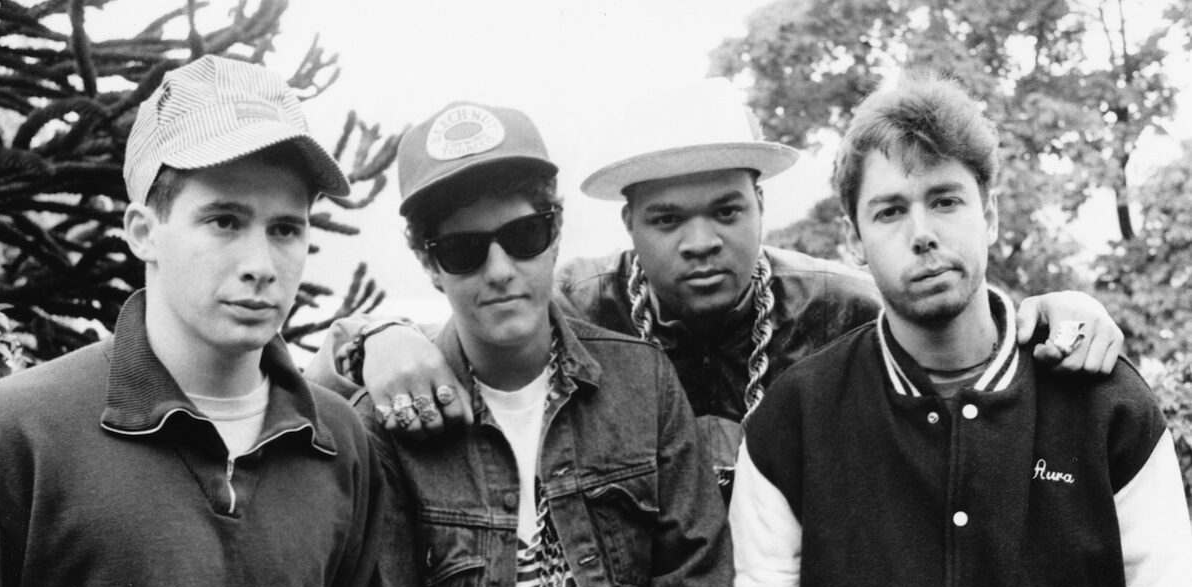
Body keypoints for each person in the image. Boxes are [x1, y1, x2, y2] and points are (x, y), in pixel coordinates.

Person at [0, 56, 497, 587]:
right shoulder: (12, 439)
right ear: (143, 229)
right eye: (224, 221)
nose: (261, 263)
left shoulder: (338, 446)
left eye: (286, 229)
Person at [305, 78, 1125, 500]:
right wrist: (375, 338)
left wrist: (1054, 310)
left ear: (761, 206)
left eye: (727, 210)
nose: (701, 241)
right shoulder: (577, 301)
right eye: (668, 220)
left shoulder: (839, 304)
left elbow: (955, 309)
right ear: (628, 226)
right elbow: (446, 316)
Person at [726, 72, 1192, 587]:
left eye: (945, 199)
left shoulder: (1108, 410)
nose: (923, 233)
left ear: (991, 215)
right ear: (854, 239)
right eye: (889, 211)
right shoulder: (796, 419)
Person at [364, 100, 732, 587]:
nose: (500, 269)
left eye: (524, 234)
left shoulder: (642, 384)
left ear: (556, 230)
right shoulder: (388, 429)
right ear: (426, 262)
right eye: (464, 250)